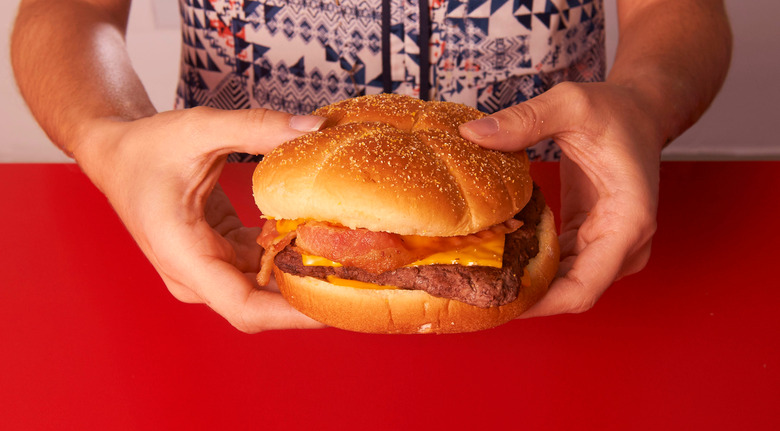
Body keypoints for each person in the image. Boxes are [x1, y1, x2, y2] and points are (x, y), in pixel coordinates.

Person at [10, 0, 731, 332]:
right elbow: (64, 10)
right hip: (211, 220)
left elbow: (680, 8)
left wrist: (643, 102)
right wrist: (108, 138)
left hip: (577, 205)